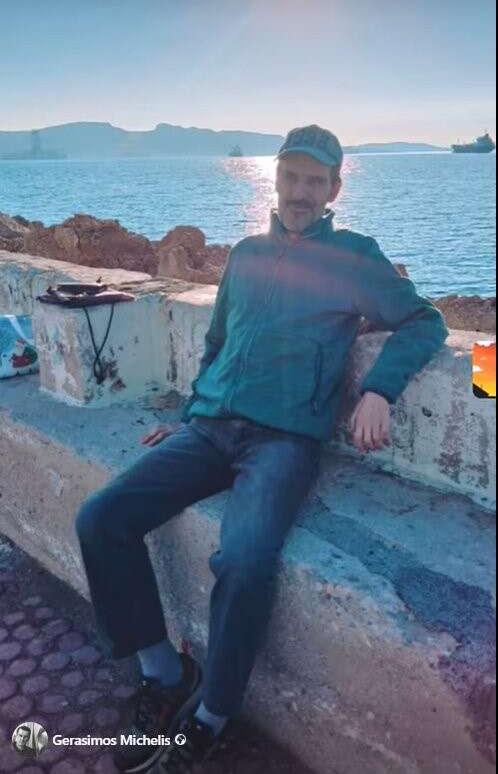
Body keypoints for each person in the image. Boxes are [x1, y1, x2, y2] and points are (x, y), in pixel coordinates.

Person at [75, 124, 449, 772]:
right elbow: (219, 342)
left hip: (284, 442)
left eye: (314, 181)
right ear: (274, 180)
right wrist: (192, 413)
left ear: (334, 189)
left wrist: (379, 390)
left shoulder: (355, 257)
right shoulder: (245, 255)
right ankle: (164, 674)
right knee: (102, 518)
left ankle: (213, 713)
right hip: (209, 429)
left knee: (245, 559)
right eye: (291, 177)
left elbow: (425, 321)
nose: (300, 191)